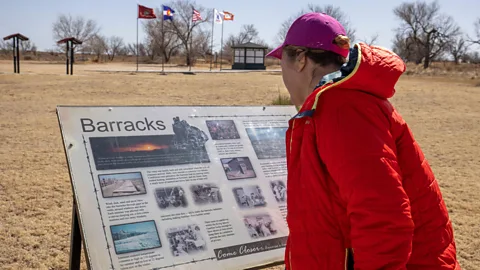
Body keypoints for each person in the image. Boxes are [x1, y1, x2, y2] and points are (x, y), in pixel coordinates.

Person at [267, 12, 460, 270]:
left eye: (284, 61)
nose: (283, 73)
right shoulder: (338, 104)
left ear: (301, 59)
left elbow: (383, 218)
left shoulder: (343, 107)